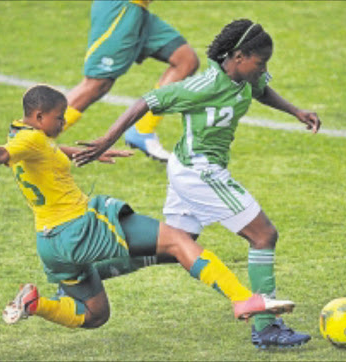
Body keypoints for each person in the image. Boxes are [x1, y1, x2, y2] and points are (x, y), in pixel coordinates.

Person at [0, 84, 295, 333]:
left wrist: (83, 151)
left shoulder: (22, 134)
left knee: (95, 315)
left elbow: (34, 149)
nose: (63, 123)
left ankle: (37, 304)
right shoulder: (28, 139)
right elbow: (1, 154)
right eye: (58, 118)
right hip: (79, 229)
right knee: (176, 241)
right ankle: (243, 299)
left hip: (50, 245)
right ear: (38, 115)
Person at [73, 19, 322, 348]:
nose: (263, 69)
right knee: (263, 235)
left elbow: (260, 90)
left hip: (189, 166)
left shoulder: (247, 76)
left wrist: (296, 111)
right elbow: (147, 101)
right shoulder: (203, 85)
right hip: (199, 171)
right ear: (236, 56)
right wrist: (107, 138)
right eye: (259, 63)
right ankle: (266, 326)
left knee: (176, 247)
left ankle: (86, 274)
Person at [64, 0, 200, 162]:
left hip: (137, 10)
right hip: (120, 8)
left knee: (186, 60)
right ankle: (33, 136)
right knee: (97, 83)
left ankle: (142, 130)